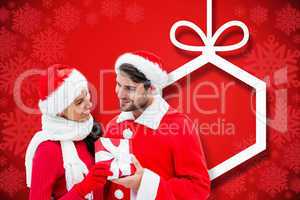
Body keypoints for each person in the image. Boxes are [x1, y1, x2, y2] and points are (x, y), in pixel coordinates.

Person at [104, 51, 211, 199]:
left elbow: (198, 187)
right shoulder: (113, 125)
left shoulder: (179, 126)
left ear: (152, 88)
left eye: (130, 88)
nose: (120, 93)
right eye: (118, 84)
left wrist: (144, 184)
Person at [25, 64, 112, 200]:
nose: (89, 104)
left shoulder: (90, 133)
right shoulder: (47, 149)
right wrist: (83, 188)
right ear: (59, 112)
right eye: (79, 102)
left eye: (87, 94)